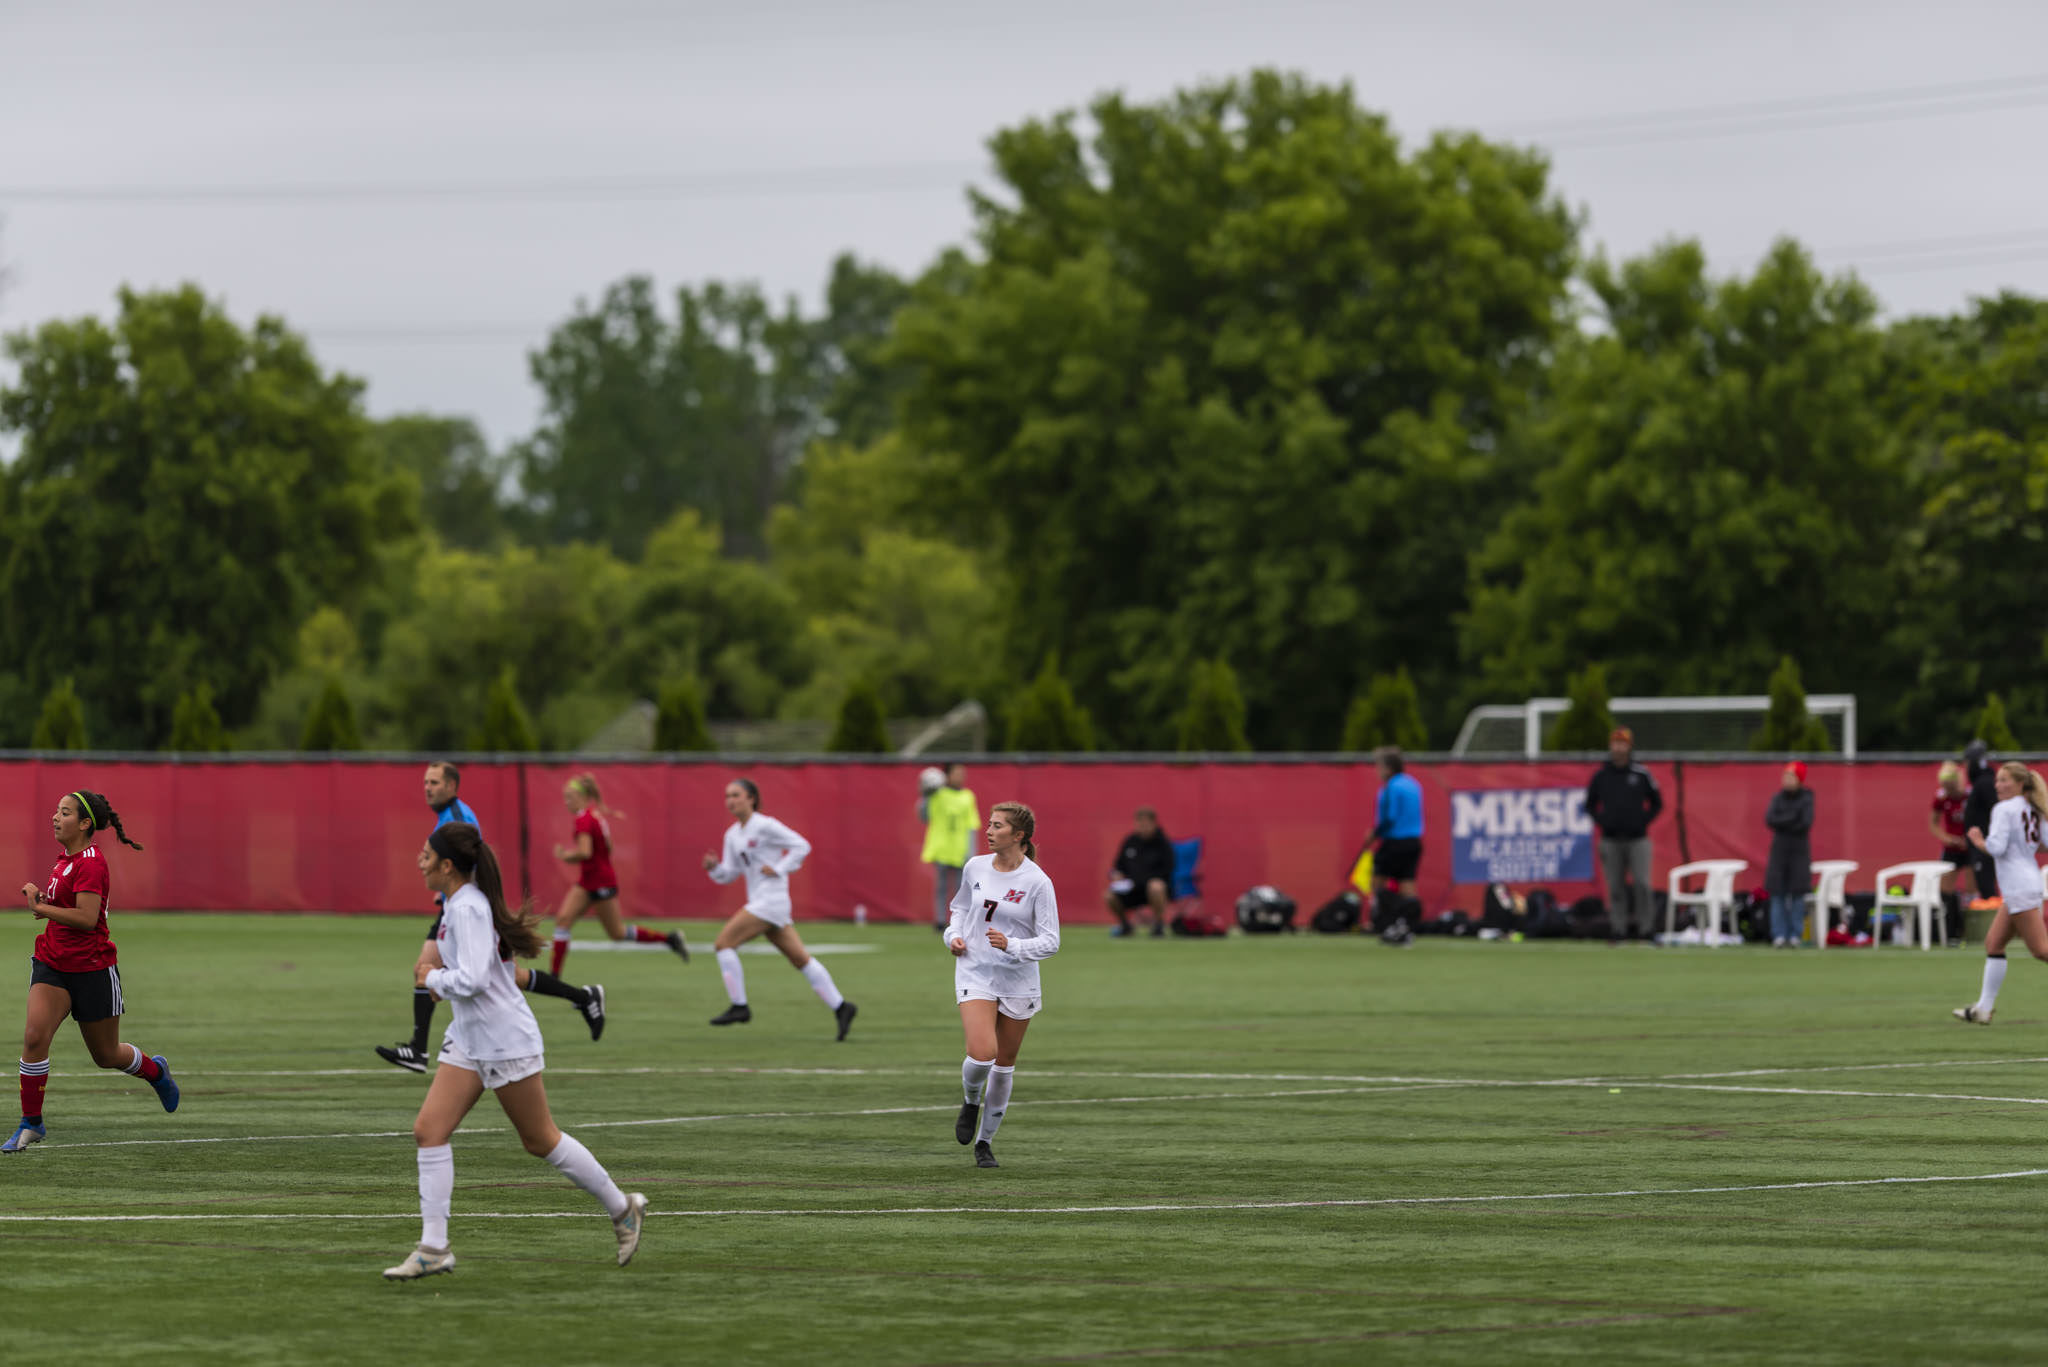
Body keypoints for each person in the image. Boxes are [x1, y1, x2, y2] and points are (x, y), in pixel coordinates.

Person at [383, 821, 646, 1279]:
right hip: (470, 1037)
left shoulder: (467, 908)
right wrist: (442, 976)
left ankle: (622, 1208)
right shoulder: (456, 904)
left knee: (540, 1139)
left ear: (447, 866)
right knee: (428, 1131)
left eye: (426, 855)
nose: (419, 861)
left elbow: (476, 980)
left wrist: (433, 980)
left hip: (503, 1038)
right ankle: (434, 1248)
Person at [378, 762, 603, 1073]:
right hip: (458, 905)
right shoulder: (448, 817)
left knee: (444, 970)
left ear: (452, 786)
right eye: (425, 782)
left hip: (466, 911)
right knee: (508, 975)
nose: (428, 788)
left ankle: (418, 1049)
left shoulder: (455, 820)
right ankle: (582, 996)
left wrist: (459, 897)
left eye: (435, 782)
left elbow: (468, 863)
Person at [6, 790, 178, 1153]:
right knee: (35, 1037)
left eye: (64, 812)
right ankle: (31, 1123)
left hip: (92, 969)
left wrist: (41, 907)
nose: (55, 817)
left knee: (106, 1055)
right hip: (53, 963)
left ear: (85, 824)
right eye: (55, 810)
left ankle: (155, 1071)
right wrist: (44, 901)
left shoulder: (91, 862)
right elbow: (64, 909)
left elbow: (86, 919)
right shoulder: (64, 861)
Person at [947, 802, 1059, 1170]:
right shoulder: (975, 866)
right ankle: (970, 1100)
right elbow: (960, 908)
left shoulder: (1037, 882)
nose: (989, 830)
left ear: (1019, 836)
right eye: (989, 824)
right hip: (975, 970)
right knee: (982, 1053)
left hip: (1018, 981)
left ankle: (985, 1143)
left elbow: (1051, 941)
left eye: (997, 826)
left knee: (1005, 1065)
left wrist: (1013, 945)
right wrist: (953, 935)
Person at [702, 778, 857, 1039]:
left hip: (770, 902)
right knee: (800, 959)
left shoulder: (765, 825)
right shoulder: (732, 835)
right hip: (764, 904)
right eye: (727, 796)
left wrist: (780, 868)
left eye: (736, 795)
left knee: (723, 944)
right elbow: (730, 874)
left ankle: (739, 1006)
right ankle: (842, 1007)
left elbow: (801, 845)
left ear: (751, 798)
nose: (731, 800)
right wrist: (714, 868)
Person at [548, 773, 688, 976]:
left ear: (582, 797)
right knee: (563, 920)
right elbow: (608, 848)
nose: (566, 802)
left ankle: (669, 939)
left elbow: (585, 852)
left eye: (569, 797)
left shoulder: (584, 820)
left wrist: (566, 856)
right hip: (589, 881)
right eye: (565, 797)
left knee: (617, 933)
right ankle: (554, 977)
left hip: (600, 882)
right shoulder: (595, 816)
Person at [1952, 761, 2048, 1025]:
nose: (1998, 785)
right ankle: (1983, 1008)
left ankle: (1983, 1007)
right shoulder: (2033, 808)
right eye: (1998, 780)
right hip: (2025, 882)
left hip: (2019, 886)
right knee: (1993, 944)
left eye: (2005, 780)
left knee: (2041, 950)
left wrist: (1978, 840)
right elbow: (2044, 843)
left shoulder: (2004, 809)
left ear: (2020, 784)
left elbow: (1996, 847)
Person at [1585, 728, 1663, 939]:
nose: (1619, 748)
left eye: (1623, 744)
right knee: (1616, 887)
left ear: (1629, 747)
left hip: (1638, 839)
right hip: (1610, 839)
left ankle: (1646, 929)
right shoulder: (1601, 776)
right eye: (1615, 743)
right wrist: (1603, 822)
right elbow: (1590, 804)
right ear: (1611, 746)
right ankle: (1618, 929)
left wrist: (1642, 821)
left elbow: (1657, 803)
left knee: (1642, 884)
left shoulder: (1641, 773)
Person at [919, 763, 980, 934]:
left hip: (960, 849)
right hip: (942, 847)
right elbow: (924, 815)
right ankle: (939, 921)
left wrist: (971, 851)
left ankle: (961, 921)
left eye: (962, 773)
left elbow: (972, 825)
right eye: (956, 773)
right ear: (947, 776)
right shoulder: (937, 794)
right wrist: (925, 795)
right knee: (942, 887)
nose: (960, 777)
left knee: (962, 888)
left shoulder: (968, 796)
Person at [1764, 762, 1815, 947]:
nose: (1786, 780)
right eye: (1785, 776)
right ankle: (1779, 935)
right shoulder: (1777, 798)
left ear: (1799, 779)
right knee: (1777, 893)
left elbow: (1805, 822)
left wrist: (1784, 820)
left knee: (1797, 894)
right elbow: (1770, 819)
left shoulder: (1807, 798)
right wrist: (1793, 817)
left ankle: (1795, 935)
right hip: (1779, 852)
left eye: (1791, 776)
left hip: (1799, 853)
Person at [1104, 807, 1174, 937]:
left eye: (1146, 824)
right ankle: (1125, 926)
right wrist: (1116, 875)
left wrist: (1145, 879)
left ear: (1154, 824)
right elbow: (1118, 866)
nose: (1143, 828)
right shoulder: (1130, 841)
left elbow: (1168, 869)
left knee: (1156, 886)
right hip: (1131, 888)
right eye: (1140, 824)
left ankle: (1158, 925)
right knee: (1108, 895)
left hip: (1154, 889)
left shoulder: (1162, 843)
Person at [1369, 748, 1425, 900]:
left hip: (1394, 843)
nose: (1377, 771)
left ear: (1388, 768)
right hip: (1414, 843)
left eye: (1379, 767)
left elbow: (1389, 817)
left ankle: (1379, 917)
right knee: (1407, 883)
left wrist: (1374, 834)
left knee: (1377, 881)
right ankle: (1410, 917)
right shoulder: (1413, 784)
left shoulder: (1390, 787)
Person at [1962, 740, 2001, 904]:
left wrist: (1984, 841)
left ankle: (1994, 925)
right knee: (1985, 888)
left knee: (1987, 890)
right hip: (1982, 845)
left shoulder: (1985, 783)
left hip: (1985, 846)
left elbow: (1996, 811)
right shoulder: (1983, 783)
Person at [1930, 760, 1974, 895]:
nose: (1950, 791)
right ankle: (1948, 912)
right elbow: (1933, 824)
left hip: (1971, 846)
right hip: (1951, 848)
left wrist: (1972, 839)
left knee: (1972, 889)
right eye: (1946, 788)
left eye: (1952, 787)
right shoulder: (1941, 798)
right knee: (1944, 890)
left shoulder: (1970, 795)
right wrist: (1947, 839)